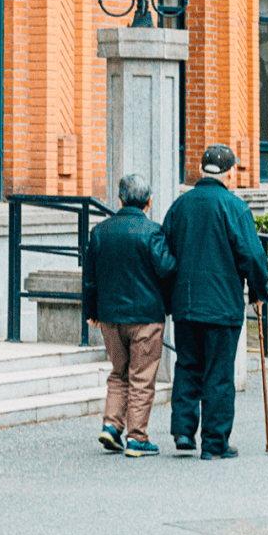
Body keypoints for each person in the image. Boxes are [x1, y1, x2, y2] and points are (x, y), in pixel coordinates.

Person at [160, 144, 268, 460]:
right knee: (219, 373)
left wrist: (170, 300)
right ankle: (214, 441)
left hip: (187, 304)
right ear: (228, 172)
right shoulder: (234, 207)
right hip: (223, 307)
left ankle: (183, 431)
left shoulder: (179, 207)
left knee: (188, 365)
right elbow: (252, 255)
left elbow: (165, 255)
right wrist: (258, 293)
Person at [82, 172, 176, 458]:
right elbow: (167, 268)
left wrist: (91, 311)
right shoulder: (153, 232)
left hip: (110, 316)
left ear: (120, 199)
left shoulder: (100, 232)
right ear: (148, 201)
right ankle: (137, 438)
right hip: (146, 316)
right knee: (142, 377)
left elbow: (90, 278)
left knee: (118, 373)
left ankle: (111, 426)